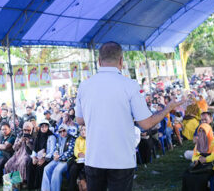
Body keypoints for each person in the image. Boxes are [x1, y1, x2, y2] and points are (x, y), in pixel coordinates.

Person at [75, 42, 183, 191]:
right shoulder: (130, 85)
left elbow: (80, 120)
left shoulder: (84, 86)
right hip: (121, 158)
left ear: (99, 61)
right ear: (121, 61)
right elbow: (146, 123)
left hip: (94, 157)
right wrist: (168, 108)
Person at [182, 123, 214, 191]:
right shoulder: (199, 142)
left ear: (208, 131)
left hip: (211, 166)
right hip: (200, 164)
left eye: (203, 131)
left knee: (200, 178)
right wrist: (197, 160)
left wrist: (205, 159)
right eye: (199, 131)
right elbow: (195, 155)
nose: (201, 133)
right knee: (186, 174)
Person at [41, 124, 75, 191]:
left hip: (66, 161)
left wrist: (59, 157)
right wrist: (55, 154)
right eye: (60, 131)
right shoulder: (58, 138)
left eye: (64, 131)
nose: (62, 133)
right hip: (57, 159)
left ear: (67, 131)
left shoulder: (71, 139)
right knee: (46, 168)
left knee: (57, 170)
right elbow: (55, 149)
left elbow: (70, 152)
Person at [27, 120, 56, 189]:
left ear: (48, 127)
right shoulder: (38, 136)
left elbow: (52, 151)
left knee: (40, 166)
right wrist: (34, 157)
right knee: (30, 164)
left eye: (45, 126)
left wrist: (44, 159)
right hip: (38, 156)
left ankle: (39, 186)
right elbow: (35, 149)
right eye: (42, 126)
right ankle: (31, 186)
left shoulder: (51, 137)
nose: (44, 128)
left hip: (48, 158)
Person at [5, 122, 35, 188]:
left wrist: (29, 143)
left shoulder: (34, 136)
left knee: (23, 163)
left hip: (28, 154)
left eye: (28, 130)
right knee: (8, 164)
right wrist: (20, 142)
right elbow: (14, 148)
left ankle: (21, 182)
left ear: (32, 129)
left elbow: (34, 149)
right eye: (25, 130)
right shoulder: (20, 135)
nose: (26, 132)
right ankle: (10, 183)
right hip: (18, 154)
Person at [69, 125, 87, 191]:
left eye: (85, 130)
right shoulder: (78, 139)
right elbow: (75, 150)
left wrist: (84, 155)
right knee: (73, 169)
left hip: (87, 161)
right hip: (79, 160)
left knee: (84, 169)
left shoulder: (90, 139)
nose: (83, 131)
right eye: (82, 130)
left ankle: (82, 183)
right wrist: (79, 154)